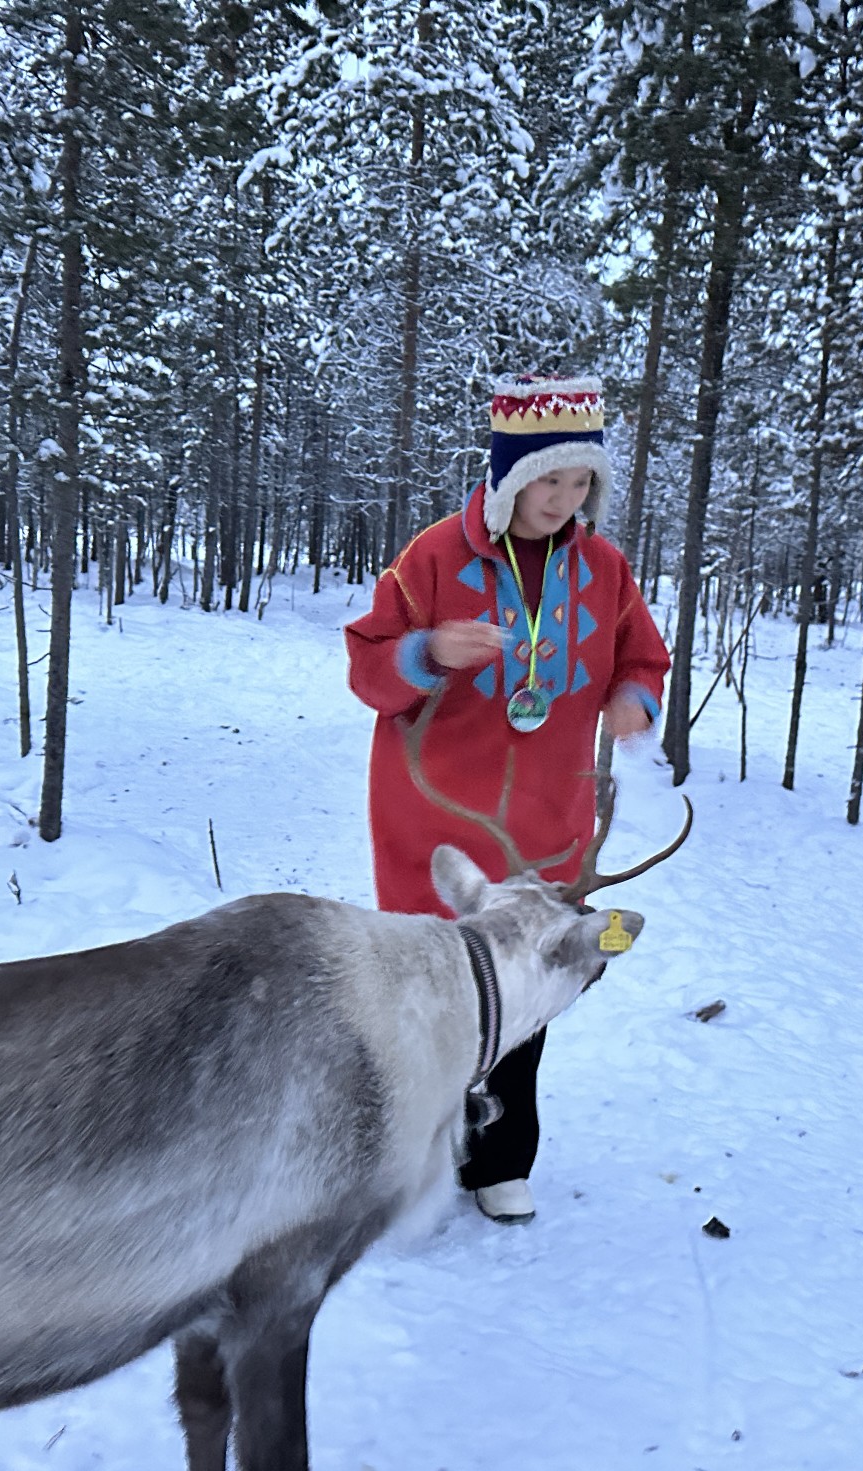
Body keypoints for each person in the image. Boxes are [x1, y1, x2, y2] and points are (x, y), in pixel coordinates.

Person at [343, 375, 671, 1225]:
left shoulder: (603, 568)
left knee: (528, 984)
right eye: (547, 481)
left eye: (579, 484)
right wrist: (430, 649)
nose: (563, 501)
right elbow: (369, 670)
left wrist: (635, 695)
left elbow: (642, 654)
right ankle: (412, 1153)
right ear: (507, 478)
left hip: (547, 821)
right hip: (438, 818)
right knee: (433, 984)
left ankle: (500, 1157)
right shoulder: (433, 560)